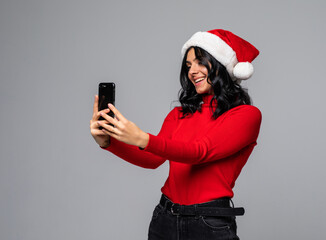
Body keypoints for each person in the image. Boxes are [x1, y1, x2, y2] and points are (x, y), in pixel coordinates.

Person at [90, 29, 261, 240]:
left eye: (200, 62)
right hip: (166, 219)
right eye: (188, 66)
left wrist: (143, 138)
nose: (192, 71)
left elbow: (200, 152)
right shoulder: (179, 114)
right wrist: (108, 142)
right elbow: (153, 158)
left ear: (220, 65)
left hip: (209, 223)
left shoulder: (246, 115)